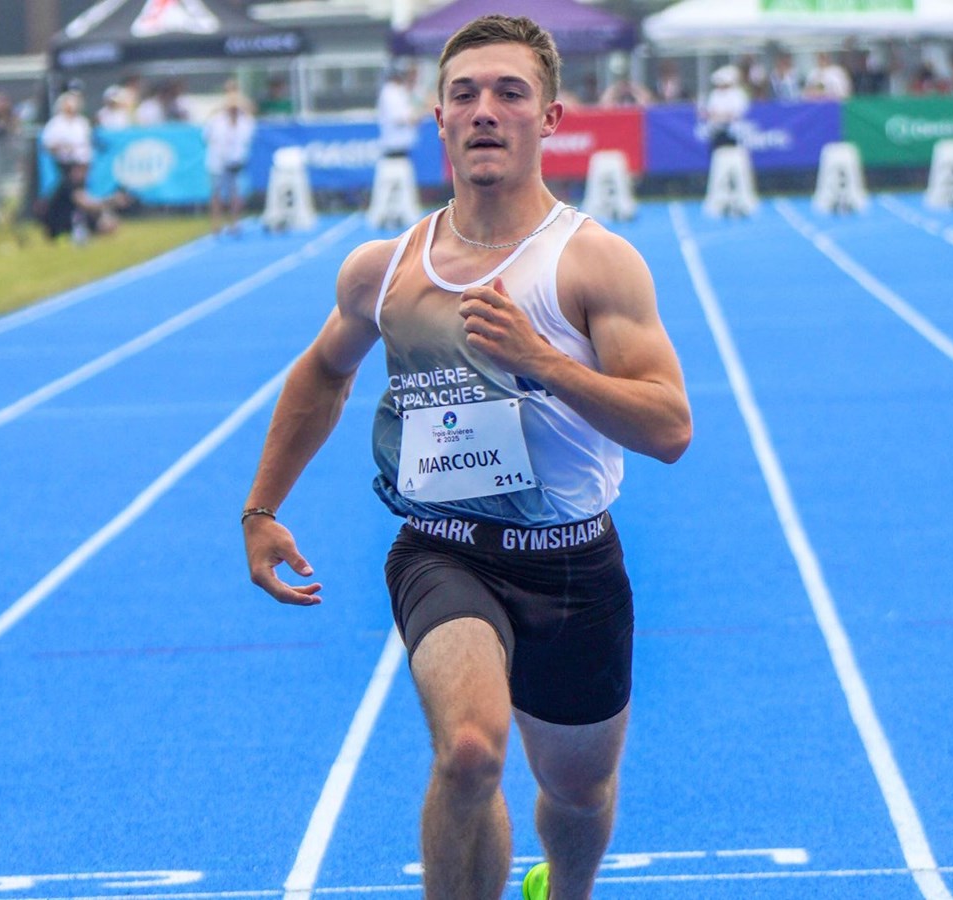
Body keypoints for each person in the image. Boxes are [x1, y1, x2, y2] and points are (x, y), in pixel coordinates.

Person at [241, 14, 690, 900]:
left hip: (573, 561)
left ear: (549, 118)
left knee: (579, 792)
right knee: (473, 751)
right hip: (444, 548)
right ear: (438, 116)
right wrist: (261, 509)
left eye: (510, 93)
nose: (486, 109)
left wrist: (542, 361)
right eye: (465, 94)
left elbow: (670, 427)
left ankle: (565, 888)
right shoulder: (385, 267)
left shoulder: (594, 263)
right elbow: (321, 374)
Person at [203, 91, 255, 236]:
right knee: (216, 193)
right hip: (217, 162)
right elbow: (206, 138)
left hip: (235, 162)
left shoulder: (246, 122)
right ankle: (216, 224)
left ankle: (235, 222)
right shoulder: (216, 121)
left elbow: (246, 140)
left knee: (235, 192)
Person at [702, 64, 750, 150]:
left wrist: (721, 116)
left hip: (734, 131)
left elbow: (736, 114)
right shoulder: (715, 94)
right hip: (716, 130)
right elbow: (710, 112)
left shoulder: (738, 94)